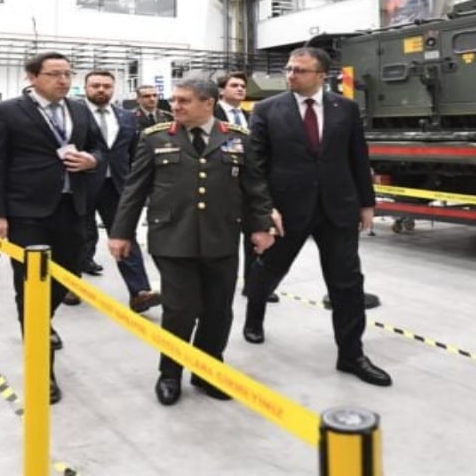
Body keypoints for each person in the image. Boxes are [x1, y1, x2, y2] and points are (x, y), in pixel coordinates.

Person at [110, 78, 274, 406]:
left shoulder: (237, 138)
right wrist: (120, 232)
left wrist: (261, 226)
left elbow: (254, 187)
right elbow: (134, 189)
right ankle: (170, 373)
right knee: (180, 310)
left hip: (222, 236)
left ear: (208, 103)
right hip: (172, 238)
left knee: (218, 311)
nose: (176, 106)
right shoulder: (155, 138)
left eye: (184, 100)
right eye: (174, 99)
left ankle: (208, 371)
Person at [241, 47, 392, 388]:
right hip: (286, 210)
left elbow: (357, 156)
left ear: (321, 76)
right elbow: (256, 165)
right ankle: (254, 316)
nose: (291, 75)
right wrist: (264, 210)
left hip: (337, 208)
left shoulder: (345, 108)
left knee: (347, 281)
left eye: (301, 70)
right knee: (269, 269)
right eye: (290, 69)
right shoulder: (267, 109)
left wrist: (366, 203)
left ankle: (351, 354)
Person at [0, 51, 106, 405]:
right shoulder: (5, 113)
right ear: (32, 77)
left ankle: (42, 321)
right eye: (54, 74)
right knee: (31, 287)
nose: (64, 81)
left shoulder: (79, 109)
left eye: (68, 74)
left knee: (65, 277)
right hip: (25, 213)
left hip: (72, 208)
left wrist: (92, 159)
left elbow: (99, 147)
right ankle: (41, 369)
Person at [72, 70, 161, 312]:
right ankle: (70, 283)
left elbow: (134, 153)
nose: (101, 90)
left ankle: (139, 291)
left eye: (106, 86)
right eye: (95, 85)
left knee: (125, 235)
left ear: (114, 89)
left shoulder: (126, 117)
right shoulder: (73, 113)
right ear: (86, 87)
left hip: (118, 186)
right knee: (78, 235)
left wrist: (139, 183)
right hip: (81, 184)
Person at [213, 72, 278, 304]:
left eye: (242, 86)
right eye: (234, 85)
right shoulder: (212, 115)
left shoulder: (251, 116)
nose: (240, 89)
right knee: (224, 240)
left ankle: (254, 286)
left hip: (249, 185)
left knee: (256, 237)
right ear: (221, 90)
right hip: (222, 185)